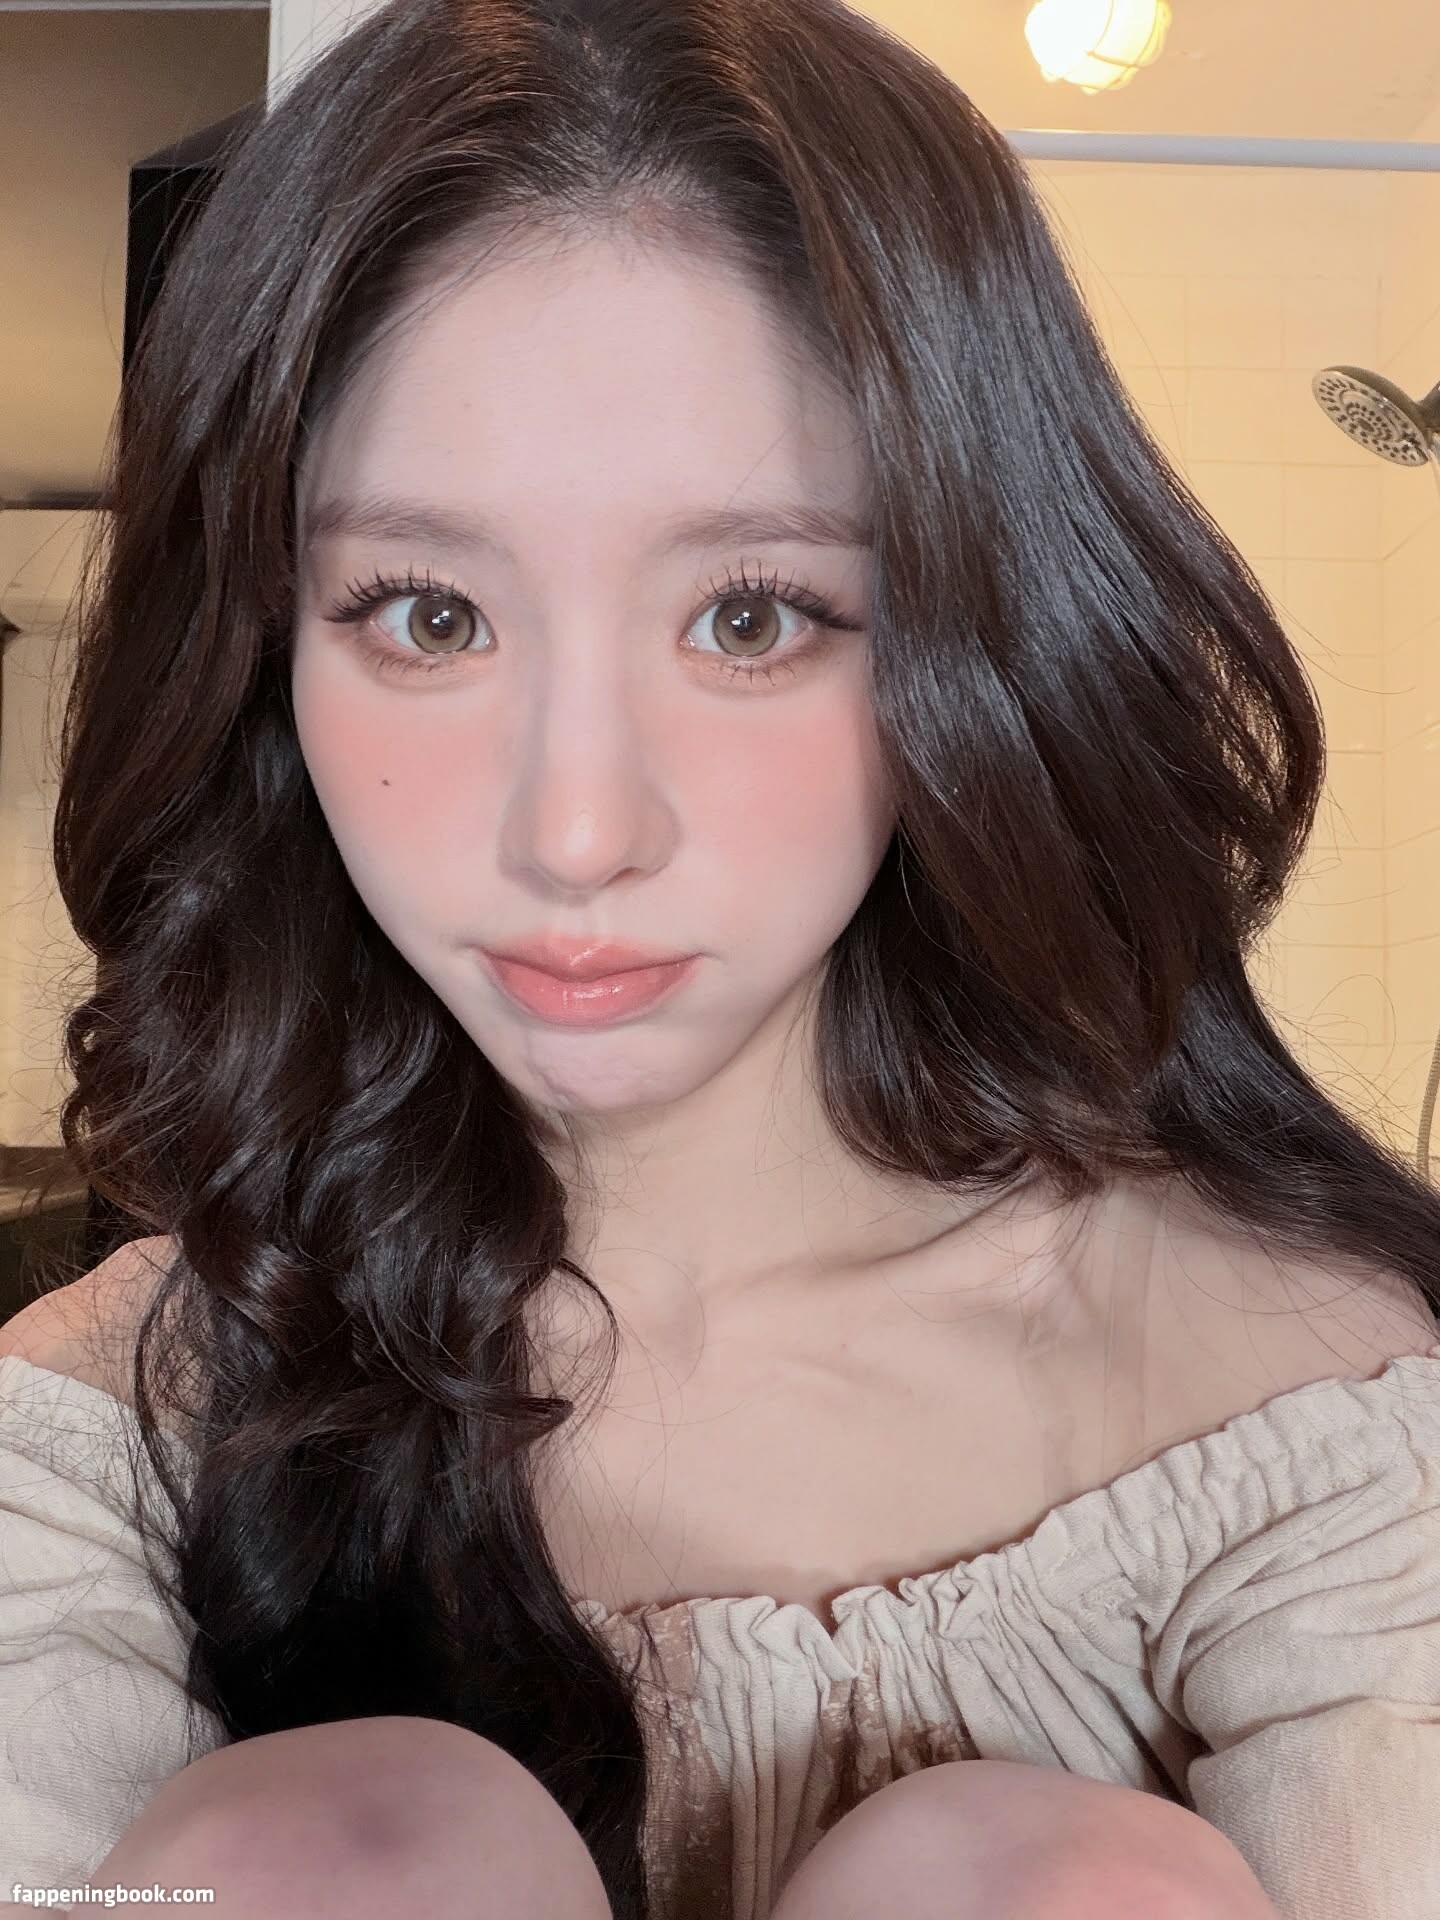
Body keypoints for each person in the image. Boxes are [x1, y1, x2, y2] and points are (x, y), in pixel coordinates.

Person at [2, 0, 1438, 1915]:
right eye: (427, 614)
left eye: (752, 616)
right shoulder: (98, 1438)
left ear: (984, 641)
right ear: (266, 654)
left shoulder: (1299, 1406)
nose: (578, 830)